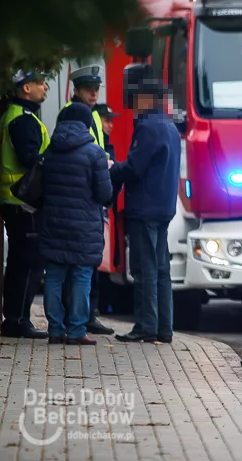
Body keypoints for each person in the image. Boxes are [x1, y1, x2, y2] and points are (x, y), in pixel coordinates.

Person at [111, 83, 181, 343]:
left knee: (144, 269)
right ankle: (164, 328)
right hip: (164, 207)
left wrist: (113, 168)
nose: (132, 106)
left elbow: (134, 168)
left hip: (144, 207)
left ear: (146, 100)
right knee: (162, 269)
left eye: (136, 100)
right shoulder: (170, 127)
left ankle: (146, 326)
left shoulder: (147, 127)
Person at [40, 103, 114, 345]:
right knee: (81, 277)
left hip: (53, 223)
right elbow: (105, 194)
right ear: (87, 124)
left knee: (53, 276)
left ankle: (54, 329)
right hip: (84, 227)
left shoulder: (50, 152)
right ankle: (76, 331)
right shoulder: (94, 153)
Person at [58, 66, 114, 335]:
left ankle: (88, 314)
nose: (94, 93)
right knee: (79, 262)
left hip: (90, 195)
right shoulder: (71, 114)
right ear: (76, 90)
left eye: (97, 88)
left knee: (91, 260)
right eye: (89, 89)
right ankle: (79, 316)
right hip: (81, 197)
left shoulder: (92, 114)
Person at [0, 69, 50, 338]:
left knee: (19, 261)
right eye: (40, 83)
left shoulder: (16, 116)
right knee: (29, 262)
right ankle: (18, 321)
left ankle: (15, 319)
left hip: (14, 199)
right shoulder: (23, 119)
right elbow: (31, 158)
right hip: (23, 200)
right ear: (26, 88)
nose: (46, 88)